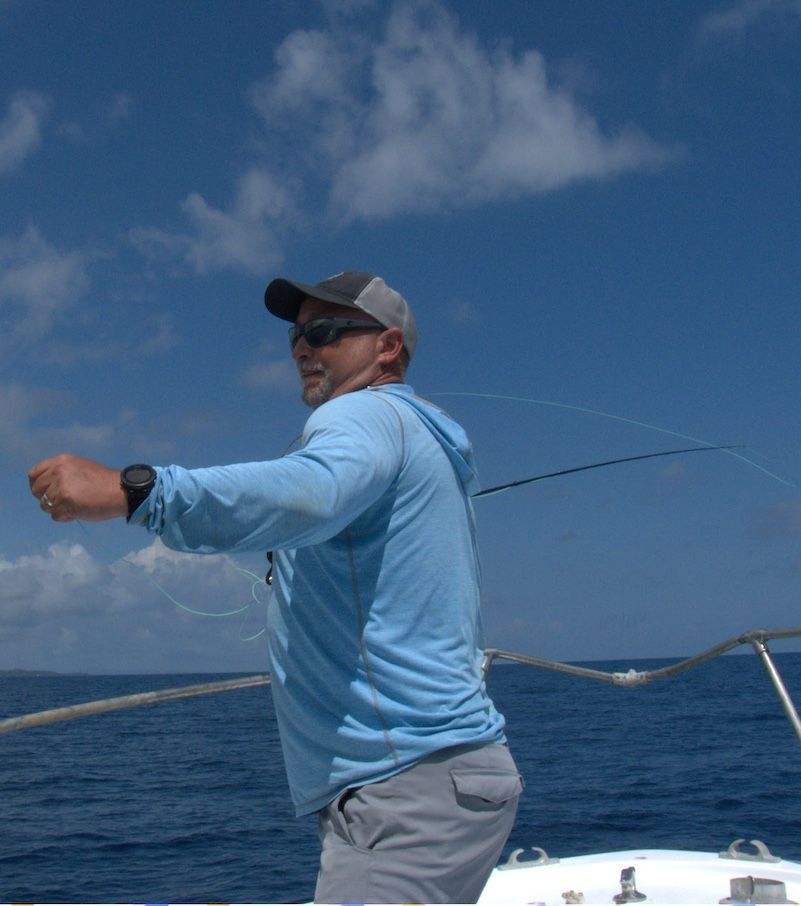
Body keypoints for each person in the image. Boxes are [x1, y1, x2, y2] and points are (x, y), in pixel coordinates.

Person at [29, 270, 523, 904]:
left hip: (406, 788)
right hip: (446, 776)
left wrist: (138, 492)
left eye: (325, 331)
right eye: (296, 335)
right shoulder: (421, 433)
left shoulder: (364, 414)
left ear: (388, 346)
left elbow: (312, 493)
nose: (302, 348)